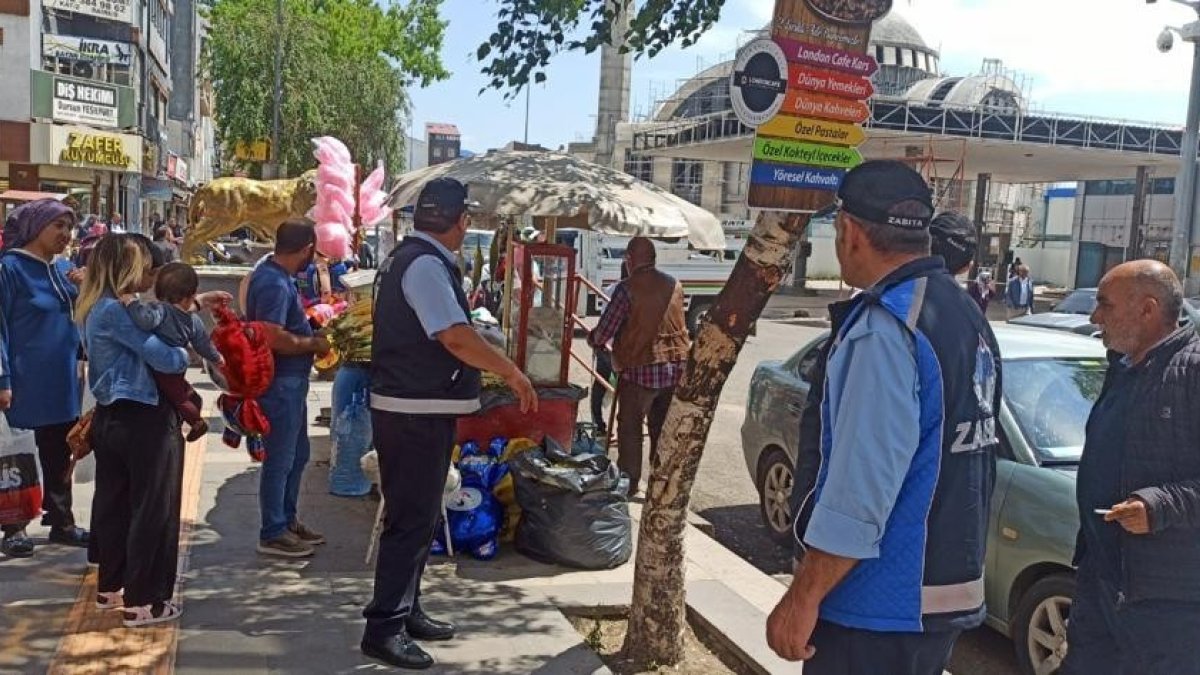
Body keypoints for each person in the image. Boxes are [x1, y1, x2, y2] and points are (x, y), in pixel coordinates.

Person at [766, 161, 1001, 674]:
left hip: (876, 605)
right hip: (941, 592)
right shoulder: (963, 312)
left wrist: (803, 596)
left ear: (849, 231)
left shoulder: (886, 326)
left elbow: (860, 487)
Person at [362, 178, 537, 670]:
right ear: (461, 222)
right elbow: (455, 337)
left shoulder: (414, 259)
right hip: (412, 412)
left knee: (421, 518)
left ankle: (406, 609)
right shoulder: (423, 265)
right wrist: (511, 371)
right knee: (410, 521)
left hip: (419, 409)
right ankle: (384, 628)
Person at [1061, 260, 1200, 674]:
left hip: (1167, 602)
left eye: (1105, 304)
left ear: (1148, 310)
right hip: (1103, 577)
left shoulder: (1192, 372)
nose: (1094, 317)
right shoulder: (1123, 368)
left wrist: (1160, 506)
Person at [77, 234, 193, 626]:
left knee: (115, 504)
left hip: (111, 417)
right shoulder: (117, 310)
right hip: (145, 418)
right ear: (128, 267)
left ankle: (111, 587)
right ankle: (145, 601)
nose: (153, 274)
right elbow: (167, 359)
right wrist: (183, 350)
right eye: (147, 266)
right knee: (153, 509)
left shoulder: (95, 306)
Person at [0, 198, 89, 558]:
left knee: (60, 451)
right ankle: (14, 526)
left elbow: (80, 317)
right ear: (36, 227)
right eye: (58, 226)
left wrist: (86, 287)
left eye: (69, 227)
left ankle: (62, 521)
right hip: (23, 381)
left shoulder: (65, 268)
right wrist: (3, 378)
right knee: (16, 454)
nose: (66, 234)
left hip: (63, 379)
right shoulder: (10, 269)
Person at [243, 219, 332, 558]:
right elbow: (272, 336)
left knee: (298, 454)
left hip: (290, 382)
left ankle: (287, 518)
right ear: (307, 248)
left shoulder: (277, 276)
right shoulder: (274, 283)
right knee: (280, 458)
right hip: (280, 383)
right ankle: (272, 531)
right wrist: (313, 344)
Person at [587, 237, 690, 498]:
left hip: (639, 370)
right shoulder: (674, 284)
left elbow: (605, 331)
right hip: (674, 370)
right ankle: (660, 486)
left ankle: (630, 483)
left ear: (630, 261)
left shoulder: (627, 289)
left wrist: (594, 339)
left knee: (630, 429)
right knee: (662, 431)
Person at [122, 262, 224, 442]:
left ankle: (197, 422)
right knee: (182, 389)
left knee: (178, 398)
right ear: (191, 295)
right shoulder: (193, 320)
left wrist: (131, 303)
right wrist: (217, 358)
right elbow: (203, 344)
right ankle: (196, 401)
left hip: (161, 370)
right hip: (178, 369)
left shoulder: (160, 310)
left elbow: (145, 321)